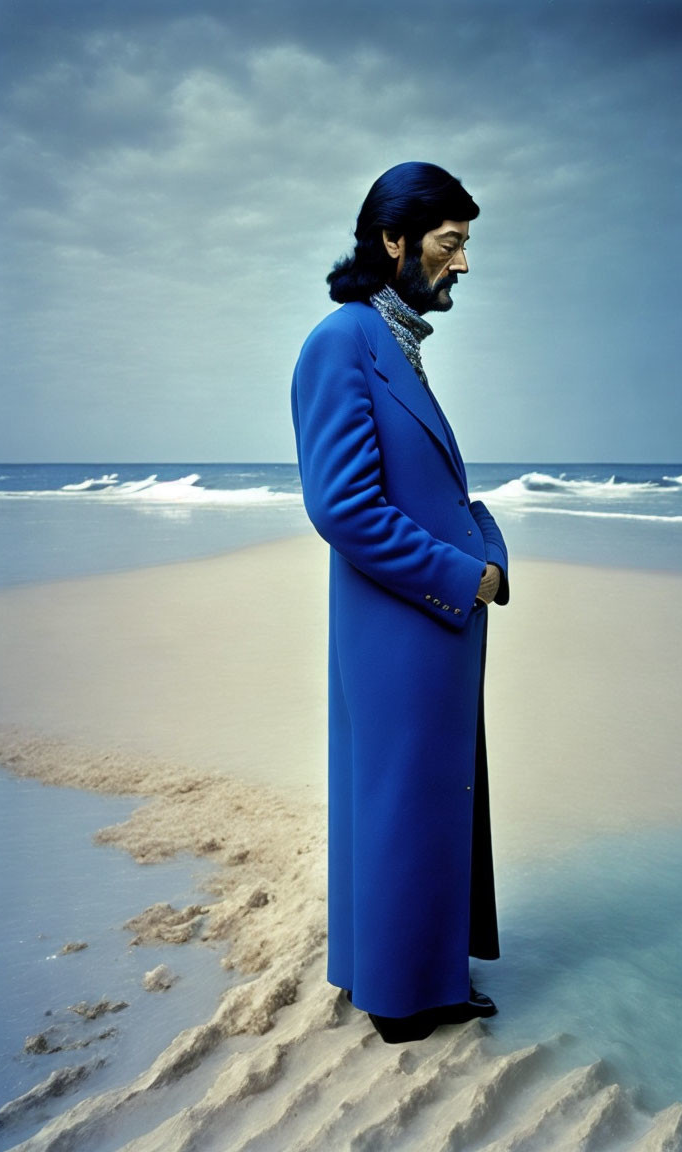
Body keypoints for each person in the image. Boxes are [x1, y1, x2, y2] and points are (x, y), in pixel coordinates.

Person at [291, 162, 509, 1044]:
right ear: (393, 241)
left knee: (422, 801)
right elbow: (342, 506)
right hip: (402, 623)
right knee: (400, 803)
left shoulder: (395, 340)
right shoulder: (341, 339)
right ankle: (406, 1002)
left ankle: (411, 976)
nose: (463, 264)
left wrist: (483, 542)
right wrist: (464, 575)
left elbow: (422, 489)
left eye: (465, 246)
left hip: (427, 623)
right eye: (450, 245)